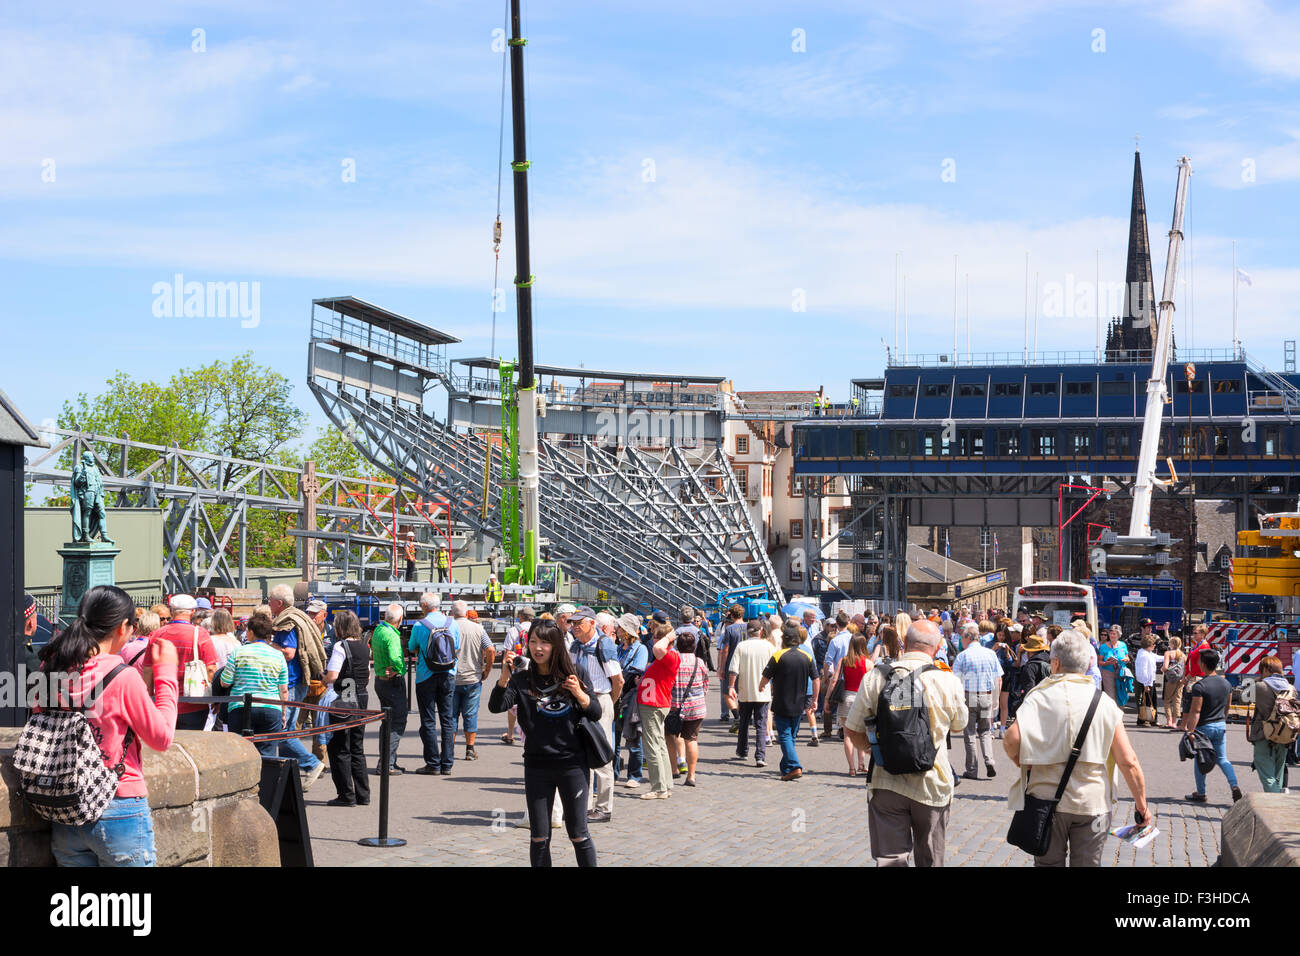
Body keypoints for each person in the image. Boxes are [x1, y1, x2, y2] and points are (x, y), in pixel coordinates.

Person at [40, 585, 179, 867]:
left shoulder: (51, 670)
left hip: (66, 808)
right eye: (132, 628)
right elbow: (161, 738)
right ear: (122, 627)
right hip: (118, 805)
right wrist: (165, 674)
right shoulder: (122, 676)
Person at [1003, 629, 1152, 867]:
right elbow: (1128, 761)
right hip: (1091, 802)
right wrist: (1141, 805)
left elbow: (1011, 738)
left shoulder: (1038, 696)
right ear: (1088, 663)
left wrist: (1019, 760)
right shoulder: (1104, 703)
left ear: (1055, 662)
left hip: (1046, 798)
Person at [845, 620, 968, 867]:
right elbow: (959, 725)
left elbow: (853, 729)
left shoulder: (876, 676)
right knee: (931, 858)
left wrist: (879, 752)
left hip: (886, 779)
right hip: (932, 781)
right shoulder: (946, 679)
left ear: (905, 643)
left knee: (891, 859)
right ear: (937, 647)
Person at [488, 620, 601, 867]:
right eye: (533, 642)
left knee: (578, 834)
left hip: (572, 764)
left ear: (556, 645)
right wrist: (504, 677)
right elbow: (496, 706)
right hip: (537, 766)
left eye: (545, 642)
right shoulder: (521, 679)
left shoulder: (576, 672)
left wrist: (579, 694)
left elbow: (595, 712)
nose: (538, 648)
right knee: (539, 837)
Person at [266, 585, 326, 783]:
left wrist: (267, 645)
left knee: (283, 733)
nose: (268, 603)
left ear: (279, 603)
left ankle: (311, 763)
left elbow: (289, 652)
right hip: (297, 682)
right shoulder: (294, 617)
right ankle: (287, 777)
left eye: (270, 600)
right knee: (287, 732)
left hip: (291, 682)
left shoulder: (288, 622)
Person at [567, 607, 622, 821]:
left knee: (601, 753)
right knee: (582, 753)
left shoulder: (604, 644)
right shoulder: (575, 645)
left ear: (591, 623)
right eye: (572, 623)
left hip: (599, 699)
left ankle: (604, 808)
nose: (575, 627)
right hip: (580, 701)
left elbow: (618, 680)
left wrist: (608, 703)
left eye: (579, 622)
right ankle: (584, 805)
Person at [218, 612, 289, 757]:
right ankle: (265, 779)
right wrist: (283, 713)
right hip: (271, 708)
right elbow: (283, 689)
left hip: (240, 708)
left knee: (239, 754)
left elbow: (225, 682)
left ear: (250, 632)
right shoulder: (278, 655)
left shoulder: (239, 652)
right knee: (267, 755)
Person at [147, 594, 218, 731]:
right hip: (195, 703)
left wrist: (149, 698)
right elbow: (211, 669)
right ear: (192, 612)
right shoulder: (201, 634)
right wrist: (215, 698)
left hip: (163, 702)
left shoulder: (156, 635)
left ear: (172, 611)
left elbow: (148, 671)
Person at [759, 620, 820, 781]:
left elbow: (765, 677)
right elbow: (816, 679)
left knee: (785, 736)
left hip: (781, 702)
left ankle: (794, 766)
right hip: (799, 703)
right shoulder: (806, 656)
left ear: (784, 640)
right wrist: (815, 699)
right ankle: (786, 768)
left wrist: (761, 686)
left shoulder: (779, 655)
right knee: (791, 736)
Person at [322, 609, 371, 806]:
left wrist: (322, 677)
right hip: (361, 695)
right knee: (357, 747)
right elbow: (367, 675)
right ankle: (363, 794)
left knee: (339, 747)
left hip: (345, 696)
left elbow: (332, 676)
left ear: (340, 627)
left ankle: (346, 794)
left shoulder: (340, 646)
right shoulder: (363, 646)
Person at [408, 591, 461, 776]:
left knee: (428, 720)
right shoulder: (451, 623)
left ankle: (433, 763)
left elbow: (411, 647)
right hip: (448, 674)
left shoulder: (419, 625)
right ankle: (447, 763)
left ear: (424, 606)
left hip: (426, 675)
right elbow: (456, 647)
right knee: (447, 719)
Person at [1180, 648, 1242, 804]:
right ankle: (1234, 786)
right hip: (1220, 725)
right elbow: (1227, 707)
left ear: (1203, 664)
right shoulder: (1226, 684)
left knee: (1200, 759)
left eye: (1200, 661)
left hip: (1204, 727)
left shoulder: (1200, 686)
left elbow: (1196, 711)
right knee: (1223, 759)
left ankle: (1201, 793)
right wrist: (1222, 721)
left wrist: (1190, 731)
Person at [952, 621, 1002, 780]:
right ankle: (989, 760)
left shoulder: (963, 656)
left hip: (969, 695)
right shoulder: (990, 654)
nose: (961, 641)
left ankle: (972, 769)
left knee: (970, 733)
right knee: (986, 731)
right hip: (986, 695)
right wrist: (996, 699)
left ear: (968, 637)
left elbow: (956, 680)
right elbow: (998, 679)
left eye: (962, 638)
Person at [637, 622, 681, 799]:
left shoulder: (669, 656)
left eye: (655, 637)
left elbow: (657, 648)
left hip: (653, 705)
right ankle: (665, 784)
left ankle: (658, 787)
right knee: (659, 745)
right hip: (654, 704)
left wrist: (667, 637)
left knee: (652, 746)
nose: (653, 641)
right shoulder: (668, 656)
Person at [450, 599, 494, 762]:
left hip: (452, 678)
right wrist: (487, 670)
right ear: (467, 612)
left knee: (451, 715)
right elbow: (490, 649)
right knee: (470, 714)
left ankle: (449, 749)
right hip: (472, 678)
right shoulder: (478, 628)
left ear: (452, 612)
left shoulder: (448, 627)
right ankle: (470, 749)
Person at [665, 629, 708, 787]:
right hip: (696, 707)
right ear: (694, 646)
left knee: (670, 736)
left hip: (674, 707)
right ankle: (691, 775)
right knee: (691, 740)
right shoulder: (700, 662)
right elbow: (705, 685)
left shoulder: (673, 660)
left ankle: (674, 769)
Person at [729, 619, 774, 767]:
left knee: (744, 722)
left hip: (745, 691)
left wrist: (731, 686)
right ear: (761, 631)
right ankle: (760, 755)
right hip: (763, 691)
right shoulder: (768, 646)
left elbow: (734, 669)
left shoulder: (741, 646)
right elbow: (775, 669)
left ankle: (742, 750)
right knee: (761, 724)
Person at [370, 603, 408, 774]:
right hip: (392, 683)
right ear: (400, 619)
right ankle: (386, 764)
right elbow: (394, 656)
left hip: (380, 681)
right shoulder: (391, 635)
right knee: (397, 722)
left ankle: (389, 760)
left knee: (387, 722)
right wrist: (401, 669)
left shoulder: (378, 630)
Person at [825, 633, 870, 775]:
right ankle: (861, 764)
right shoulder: (868, 663)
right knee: (862, 733)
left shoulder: (844, 661)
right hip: (861, 699)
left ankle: (851, 768)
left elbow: (834, 681)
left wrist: (827, 699)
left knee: (847, 735)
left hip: (846, 698)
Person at [1248, 655, 1292, 793]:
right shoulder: (1291, 688)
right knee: (1277, 774)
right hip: (1285, 733)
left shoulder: (1260, 686)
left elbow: (1244, 697)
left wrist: (1256, 681)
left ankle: (1276, 804)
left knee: (1267, 774)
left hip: (1264, 733)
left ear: (1266, 670)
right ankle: (1278, 799)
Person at [613, 613, 647, 787]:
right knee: (614, 738)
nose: (616, 629)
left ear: (626, 630)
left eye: (619, 626)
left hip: (631, 698)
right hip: (617, 696)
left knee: (633, 736)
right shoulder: (619, 648)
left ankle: (635, 775)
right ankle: (614, 773)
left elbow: (637, 672)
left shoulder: (640, 649)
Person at [502, 606, 534, 745]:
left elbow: (507, 653)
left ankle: (510, 734)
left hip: (517, 672)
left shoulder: (514, 630)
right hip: (534, 670)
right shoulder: (536, 630)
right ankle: (531, 733)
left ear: (520, 616)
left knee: (512, 703)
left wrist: (504, 673)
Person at [1008, 630, 1052, 723]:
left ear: (1030, 651)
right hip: (1049, 703)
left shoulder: (1030, 667)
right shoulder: (1050, 661)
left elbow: (1029, 689)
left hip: (1035, 706)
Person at [716, 604, 746, 727]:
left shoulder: (729, 629)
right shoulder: (749, 627)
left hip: (732, 663)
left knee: (726, 692)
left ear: (732, 615)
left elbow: (725, 650)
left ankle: (737, 716)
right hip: (746, 663)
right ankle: (743, 715)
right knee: (743, 692)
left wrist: (721, 668)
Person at [1098, 624, 1130, 705]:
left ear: (1119, 635)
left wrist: (1126, 660)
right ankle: (1112, 715)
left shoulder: (1123, 645)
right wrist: (1107, 663)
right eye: (1110, 633)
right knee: (1110, 696)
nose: (1111, 635)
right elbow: (1099, 662)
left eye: (1114, 634)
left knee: (1121, 694)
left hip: (1121, 673)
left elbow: (1127, 658)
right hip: (1108, 673)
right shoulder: (1103, 647)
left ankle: (1120, 714)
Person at [1134, 634, 1160, 727]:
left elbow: (1157, 658)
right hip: (1146, 682)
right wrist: (1146, 684)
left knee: (1150, 700)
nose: (1155, 646)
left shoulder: (1147, 653)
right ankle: (1147, 719)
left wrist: (1169, 657)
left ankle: (1147, 719)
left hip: (1149, 681)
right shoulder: (1144, 655)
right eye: (1153, 644)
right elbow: (1143, 670)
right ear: (1149, 645)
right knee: (1148, 702)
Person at [1162, 635, 1186, 729]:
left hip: (1171, 679)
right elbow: (1185, 668)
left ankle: (1169, 722)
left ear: (1171, 644)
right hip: (1180, 679)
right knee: (1177, 700)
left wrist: (1162, 669)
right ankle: (1174, 722)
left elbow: (1165, 667)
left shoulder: (1168, 653)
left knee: (1167, 700)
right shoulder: (1183, 655)